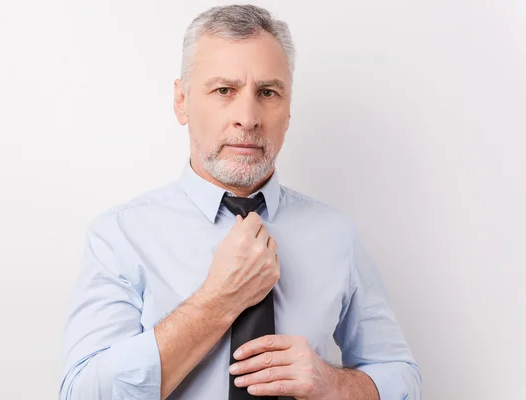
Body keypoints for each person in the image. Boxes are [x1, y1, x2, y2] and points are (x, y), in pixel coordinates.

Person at [59, 4, 422, 400]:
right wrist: (217, 303)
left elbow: (401, 377)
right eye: (224, 90)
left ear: (288, 109)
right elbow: (81, 393)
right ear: (182, 101)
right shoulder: (119, 237)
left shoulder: (336, 235)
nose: (247, 117)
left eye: (267, 92)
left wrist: (333, 384)